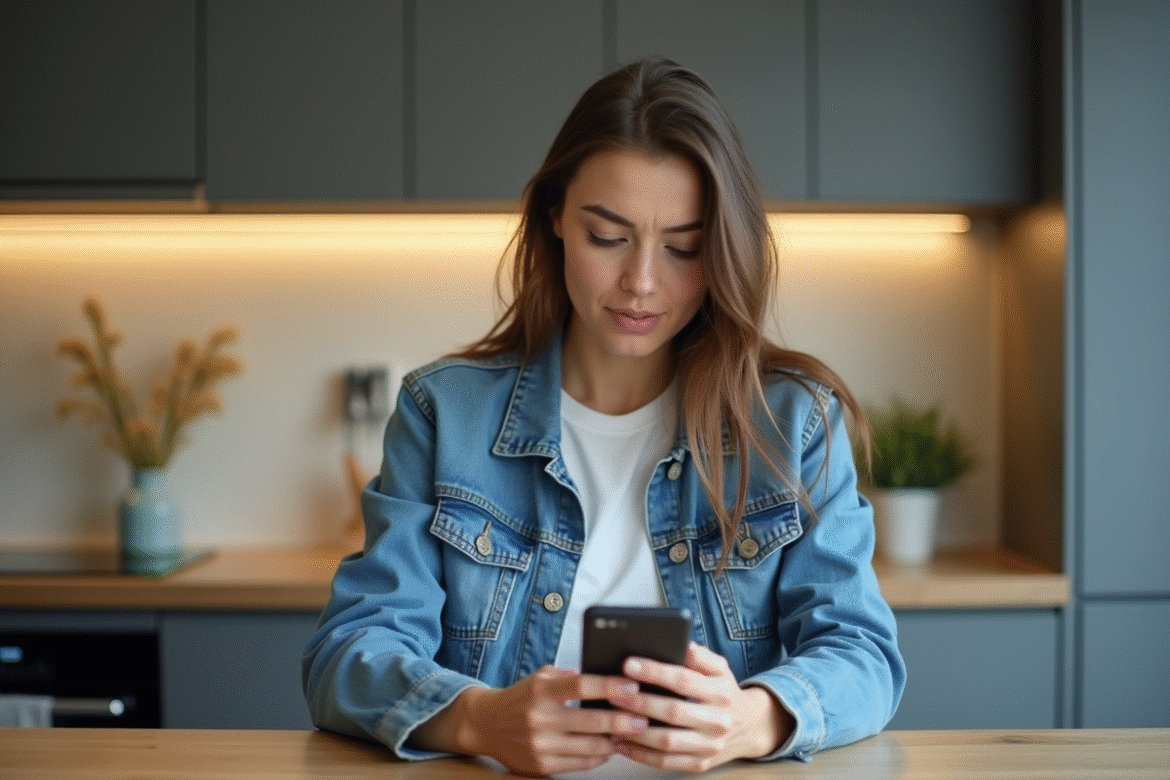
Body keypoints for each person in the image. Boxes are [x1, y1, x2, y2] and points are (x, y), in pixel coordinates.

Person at [303, 56, 904, 776]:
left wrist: (751, 719)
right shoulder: (443, 413)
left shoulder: (794, 422)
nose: (642, 283)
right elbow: (347, 654)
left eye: (684, 247)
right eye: (608, 238)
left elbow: (863, 655)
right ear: (555, 217)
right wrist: (477, 721)